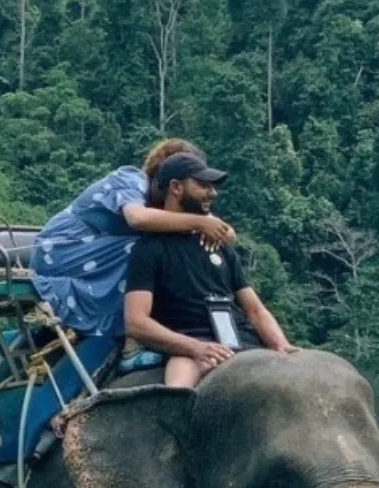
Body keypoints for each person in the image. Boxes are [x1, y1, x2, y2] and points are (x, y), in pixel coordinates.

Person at [30, 139, 236, 343]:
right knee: (147, 249)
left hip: (102, 252)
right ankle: (135, 333)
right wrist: (198, 223)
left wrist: (207, 227)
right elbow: (137, 219)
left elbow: (227, 234)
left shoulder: (168, 206)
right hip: (64, 250)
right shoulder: (131, 179)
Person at [123, 153, 296, 389]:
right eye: (203, 185)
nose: (212, 193)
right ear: (176, 187)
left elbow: (255, 309)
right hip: (192, 349)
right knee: (177, 394)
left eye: (213, 186)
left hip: (244, 343)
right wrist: (196, 348)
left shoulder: (218, 244)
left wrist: (281, 344)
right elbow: (136, 322)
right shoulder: (148, 249)